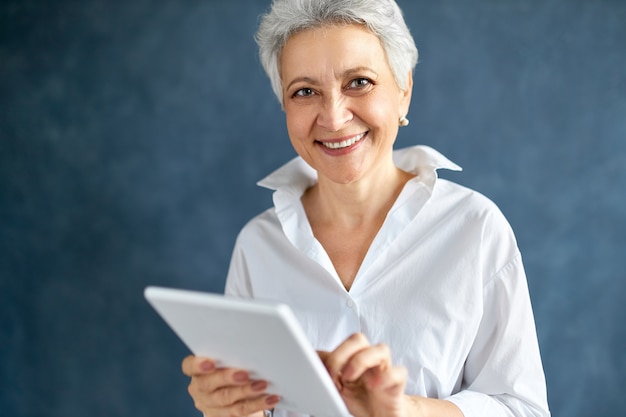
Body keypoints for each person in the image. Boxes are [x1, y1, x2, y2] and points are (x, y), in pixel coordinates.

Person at [182, 0, 551, 416]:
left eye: (359, 82)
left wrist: (406, 411)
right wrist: (229, 408)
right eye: (305, 91)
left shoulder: (475, 228)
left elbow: (523, 409)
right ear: (285, 106)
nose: (334, 118)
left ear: (403, 91)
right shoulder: (258, 245)